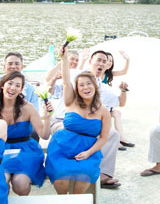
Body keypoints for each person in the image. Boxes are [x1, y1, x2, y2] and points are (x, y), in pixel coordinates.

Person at [49, 49, 127, 189]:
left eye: (105, 61)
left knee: (112, 135)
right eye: (99, 60)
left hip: (86, 136)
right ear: (90, 61)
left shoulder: (101, 96)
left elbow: (119, 103)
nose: (85, 87)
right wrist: (64, 58)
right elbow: (65, 82)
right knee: (61, 181)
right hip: (64, 126)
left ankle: (104, 174)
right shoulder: (73, 82)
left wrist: (123, 91)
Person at [0, 71, 51, 204]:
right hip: (1, 151)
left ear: (21, 90)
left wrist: (47, 116)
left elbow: (44, 135)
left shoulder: (27, 108)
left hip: (26, 150)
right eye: (10, 83)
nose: (13, 88)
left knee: (20, 182)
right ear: (3, 85)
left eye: (18, 85)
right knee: (2, 180)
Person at [0, 25, 40, 108]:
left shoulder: (30, 89)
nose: (13, 67)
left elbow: (35, 113)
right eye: (10, 64)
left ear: (22, 67)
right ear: (4, 67)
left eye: (17, 64)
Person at [102, 51, 134, 148]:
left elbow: (124, 71)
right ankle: (114, 140)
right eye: (107, 60)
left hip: (105, 105)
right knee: (108, 113)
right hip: (98, 107)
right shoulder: (94, 74)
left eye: (111, 61)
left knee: (117, 113)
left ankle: (121, 138)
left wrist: (127, 60)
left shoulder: (108, 74)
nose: (109, 62)